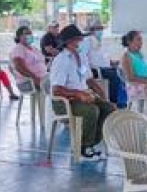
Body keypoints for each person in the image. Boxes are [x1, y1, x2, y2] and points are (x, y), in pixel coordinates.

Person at [50, 24, 116, 157]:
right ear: (69, 42)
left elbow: (89, 79)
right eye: (78, 39)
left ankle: (91, 143)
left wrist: (102, 94)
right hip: (64, 101)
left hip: (83, 96)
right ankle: (82, 147)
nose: (81, 41)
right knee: (92, 111)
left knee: (108, 108)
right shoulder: (61, 60)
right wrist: (77, 94)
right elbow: (56, 90)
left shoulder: (82, 57)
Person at [86, 22, 128, 108]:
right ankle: (115, 102)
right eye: (98, 29)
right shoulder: (88, 40)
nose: (100, 31)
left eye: (101, 29)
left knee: (121, 73)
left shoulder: (99, 41)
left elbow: (103, 57)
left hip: (104, 67)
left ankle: (123, 101)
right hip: (94, 69)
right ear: (93, 30)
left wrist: (112, 62)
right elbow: (86, 58)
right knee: (115, 75)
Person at [120, 30, 147, 102]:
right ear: (129, 42)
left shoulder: (139, 54)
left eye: (141, 40)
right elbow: (130, 78)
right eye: (138, 39)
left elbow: (146, 69)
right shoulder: (126, 56)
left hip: (146, 81)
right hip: (136, 86)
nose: (141, 42)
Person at [10, 26, 48, 91]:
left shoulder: (34, 48)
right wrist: (35, 78)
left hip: (43, 77)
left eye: (30, 33)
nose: (29, 35)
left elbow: (42, 62)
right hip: (28, 81)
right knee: (57, 87)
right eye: (27, 33)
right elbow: (19, 67)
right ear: (19, 37)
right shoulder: (19, 48)